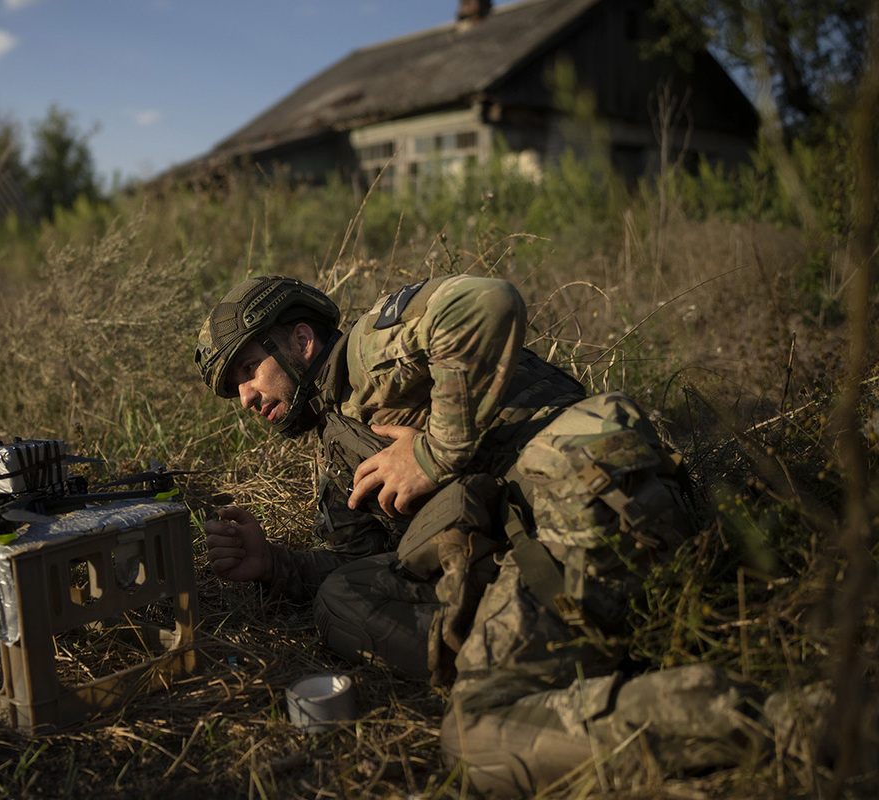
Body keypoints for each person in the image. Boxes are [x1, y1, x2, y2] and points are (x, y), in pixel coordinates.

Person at [195, 274, 773, 796]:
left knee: (479, 735)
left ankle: (778, 725)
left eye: (248, 369)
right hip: (563, 521)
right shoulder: (337, 444)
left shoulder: (366, 355)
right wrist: (273, 563)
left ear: (300, 341)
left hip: (581, 489)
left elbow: (485, 302)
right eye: (233, 389)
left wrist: (431, 454)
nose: (245, 397)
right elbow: (359, 561)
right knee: (340, 598)